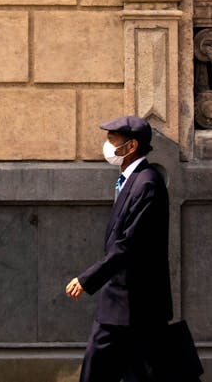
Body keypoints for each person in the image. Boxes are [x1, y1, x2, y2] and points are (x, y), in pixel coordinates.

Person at [65, 115, 172, 382]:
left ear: (131, 146)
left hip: (133, 302)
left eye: (112, 140)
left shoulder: (147, 183)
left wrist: (87, 279)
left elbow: (128, 245)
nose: (107, 145)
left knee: (96, 368)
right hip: (125, 303)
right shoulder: (132, 180)